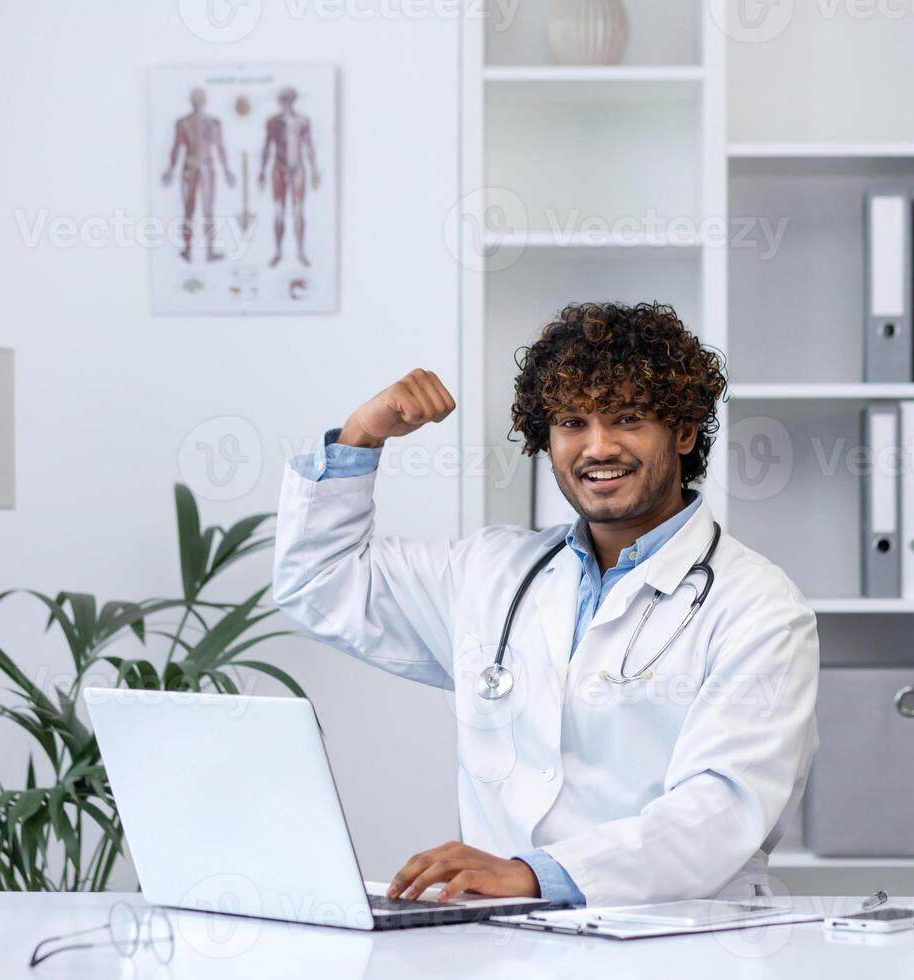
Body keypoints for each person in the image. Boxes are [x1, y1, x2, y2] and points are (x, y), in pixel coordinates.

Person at [273, 302, 819, 909]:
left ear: (685, 432)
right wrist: (361, 437)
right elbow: (318, 583)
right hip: (505, 940)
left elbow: (721, 809)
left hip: (676, 943)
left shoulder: (759, 607)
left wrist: (533, 874)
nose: (598, 447)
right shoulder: (492, 572)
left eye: (627, 418)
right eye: (571, 422)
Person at [161, 87, 234, 263]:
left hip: (202, 167)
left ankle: (205, 251)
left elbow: (220, 148)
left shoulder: (211, 122)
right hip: (192, 167)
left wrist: (227, 171)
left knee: (203, 210)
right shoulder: (184, 123)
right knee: (191, 210)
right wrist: (170, 169)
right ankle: (189, 250)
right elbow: (176, 148)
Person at [257, 86, 321, 268]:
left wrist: (315, 171)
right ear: (280, 102)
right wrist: (261, 172)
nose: (287, 103)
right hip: (278, 169)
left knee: (298, 210)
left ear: (294, 100)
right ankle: (278, 252)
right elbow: (266, 147)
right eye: (284, 100)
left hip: (297, 169)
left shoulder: (302, 121)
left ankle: (300, 251)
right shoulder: (273, 122)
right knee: (279, 211)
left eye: (289, 99)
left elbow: (309, 147)